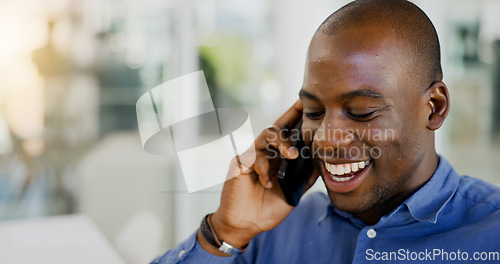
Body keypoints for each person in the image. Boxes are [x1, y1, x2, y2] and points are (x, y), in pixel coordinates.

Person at [152, 0, 500, 263]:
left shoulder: (490, 234)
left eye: (362, 112)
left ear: (435, 107)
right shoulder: (271, 229)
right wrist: (224, 233)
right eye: (314, 111)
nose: (326, 139)